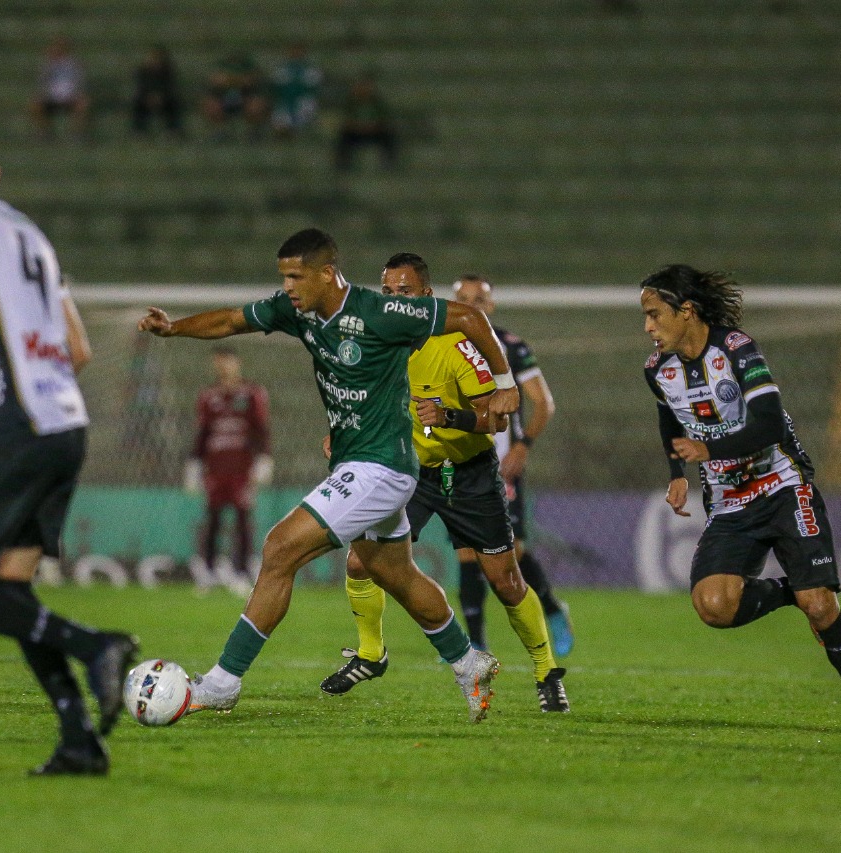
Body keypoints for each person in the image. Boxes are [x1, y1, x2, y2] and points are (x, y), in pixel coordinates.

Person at [138, 228, 522, 723]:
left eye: (297, 276)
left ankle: (221, 683)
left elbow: (469, 317)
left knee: (279, 548)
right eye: (284, 277)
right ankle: (469, 663)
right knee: (395, 573)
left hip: (381, 467)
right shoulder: (296, 311)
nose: (289, 286)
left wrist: (506, 383)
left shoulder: (380, 312)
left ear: (326, 273)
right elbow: (232, 320)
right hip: (359, 462)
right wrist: (174, 329)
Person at [0, 118, 138, 776]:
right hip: (67, 424)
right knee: (10, 586)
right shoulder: (29, 232)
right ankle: (78, 739)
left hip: (15, 427)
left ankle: (95, 644)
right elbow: (79, 348)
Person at [642, 264, 841, 736]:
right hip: (730, 501)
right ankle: (788, 593)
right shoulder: (657, 370)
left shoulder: (736, 349)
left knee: (821, 606)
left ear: (686, 311)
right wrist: (677, 471)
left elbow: (770, 424)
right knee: (713, 607)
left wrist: (707, 449)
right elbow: (669, 418)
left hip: (781, 486)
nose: (648, 327)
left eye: (655, 315)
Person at [320, 255, 567, 712]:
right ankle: (371, 653)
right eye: (388, 294)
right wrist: (342, 433)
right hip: (409, 473)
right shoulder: (375, 343)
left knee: (507, 580)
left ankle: (546, 671)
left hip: (470, 475)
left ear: (426, 298)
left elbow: (495, 418)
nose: (395, 302)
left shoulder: (455, 345)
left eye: (405, 293)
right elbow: (360, 398)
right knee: (360, 561)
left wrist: (450, 416)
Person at [452, 274, 574, 657]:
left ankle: (552, 608)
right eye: (464, 298)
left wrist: (522, 447)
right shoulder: (439, 344)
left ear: (491, 306)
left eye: (480, 299)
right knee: (466, 551)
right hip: (456, 462)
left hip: (499, 467)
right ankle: (475, 642)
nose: (472, 306)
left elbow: (543, 402)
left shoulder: (511, 347)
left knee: (511, 551)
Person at [186, 347, 272, 590]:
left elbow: (261, 429)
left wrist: (264, 458)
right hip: (215, 467)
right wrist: (195, 462)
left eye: (228, 361)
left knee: (242, 518)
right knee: (213, 518)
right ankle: (209, 571)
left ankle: (242, 572)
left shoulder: (252, 393)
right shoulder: (208, 396)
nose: (224, 366)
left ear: (238, 363)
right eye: (219, 362)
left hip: (241, 468)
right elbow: (202, 433)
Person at [30, 37, 90, 139]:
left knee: (82, 103)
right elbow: (42, 81)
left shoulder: (74, 65)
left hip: (70, 96)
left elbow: (80, 81)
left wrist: (75, 92)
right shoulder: (48, 65)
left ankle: (76, 133)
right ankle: (44, 132)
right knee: (35, 105)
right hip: (51, 97)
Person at [334, 73, 396, 171]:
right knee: (344, 136)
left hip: (373, 132)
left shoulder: (377, 103)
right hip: (356, 132)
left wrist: (372, 126)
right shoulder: (351, 103)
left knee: (388, 135)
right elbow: (347, 120)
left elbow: (383, 120)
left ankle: (388, 162)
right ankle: (343, 164)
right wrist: (358, 126)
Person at [201, 54, 269, 139]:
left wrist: (233, 81)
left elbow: (251, 81)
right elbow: (216, 81)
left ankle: (253, 132)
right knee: (211, 105)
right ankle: (220, 132)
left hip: (245, 99)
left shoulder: (249, 67)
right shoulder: (220, 67)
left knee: (256, 105)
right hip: (224, 99)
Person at [270, 42, 322, 138]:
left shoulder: (311, 70)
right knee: (280, 123)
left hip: (304, 102)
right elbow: (276, 87)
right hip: (284, 103)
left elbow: (312, 88)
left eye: (299, 51)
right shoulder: (281, 69)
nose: (296, 53)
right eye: (294, 51)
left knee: (302, 119)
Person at [131, 45, 183, 137]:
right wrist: (149, 97)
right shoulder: (143, 72)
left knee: (173, 103)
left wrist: (161, 97)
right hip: (146, 99)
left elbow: (170, 87)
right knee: (138, 103)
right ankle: (139, 130)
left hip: (164, 99)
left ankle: (173, 130)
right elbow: (141, 87)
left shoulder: (168, 72)